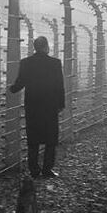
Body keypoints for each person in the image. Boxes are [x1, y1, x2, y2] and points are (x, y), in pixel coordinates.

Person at [9, 36, 65, 178]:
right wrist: (61, 104)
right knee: (50, 139)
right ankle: (47, 169)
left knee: (33, 139)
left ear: (35, 47)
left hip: (33, 106)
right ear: (46, 47)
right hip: (50, 106)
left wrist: (11, 88)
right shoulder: (55, 63)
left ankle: (34, 170)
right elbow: (59, 85)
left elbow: (20, 83)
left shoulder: (26, 63)